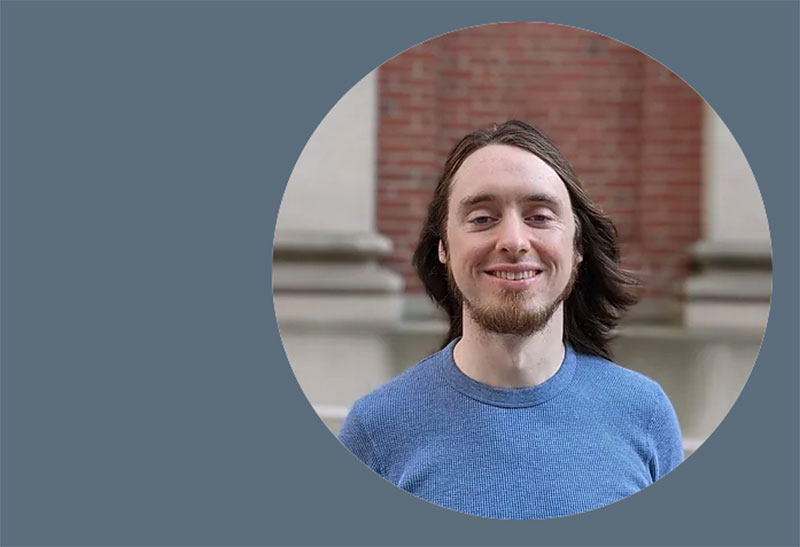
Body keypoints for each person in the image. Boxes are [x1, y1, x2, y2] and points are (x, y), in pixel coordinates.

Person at [338, 120, 683, 519]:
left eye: (539, 216)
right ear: (444, 248)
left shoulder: (645, 413)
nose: (514, 241)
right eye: (483, 218)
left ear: (578, 248)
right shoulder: (376, 431)